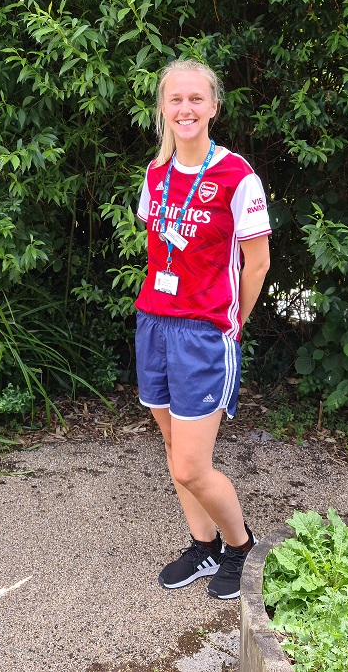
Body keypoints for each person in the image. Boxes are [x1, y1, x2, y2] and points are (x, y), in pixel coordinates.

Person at [135, 59, 272, 601]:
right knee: (174, 453)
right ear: (163, 109)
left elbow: (257, 264)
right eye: (176, 100)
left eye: (196, 99)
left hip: (204, 334)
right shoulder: (155, 174)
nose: (185, 109)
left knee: (192, 463)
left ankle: (239, 545)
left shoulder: (238, 177)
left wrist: (232, 324)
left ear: (213, 106)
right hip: (154, 323)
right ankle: (204, 544)